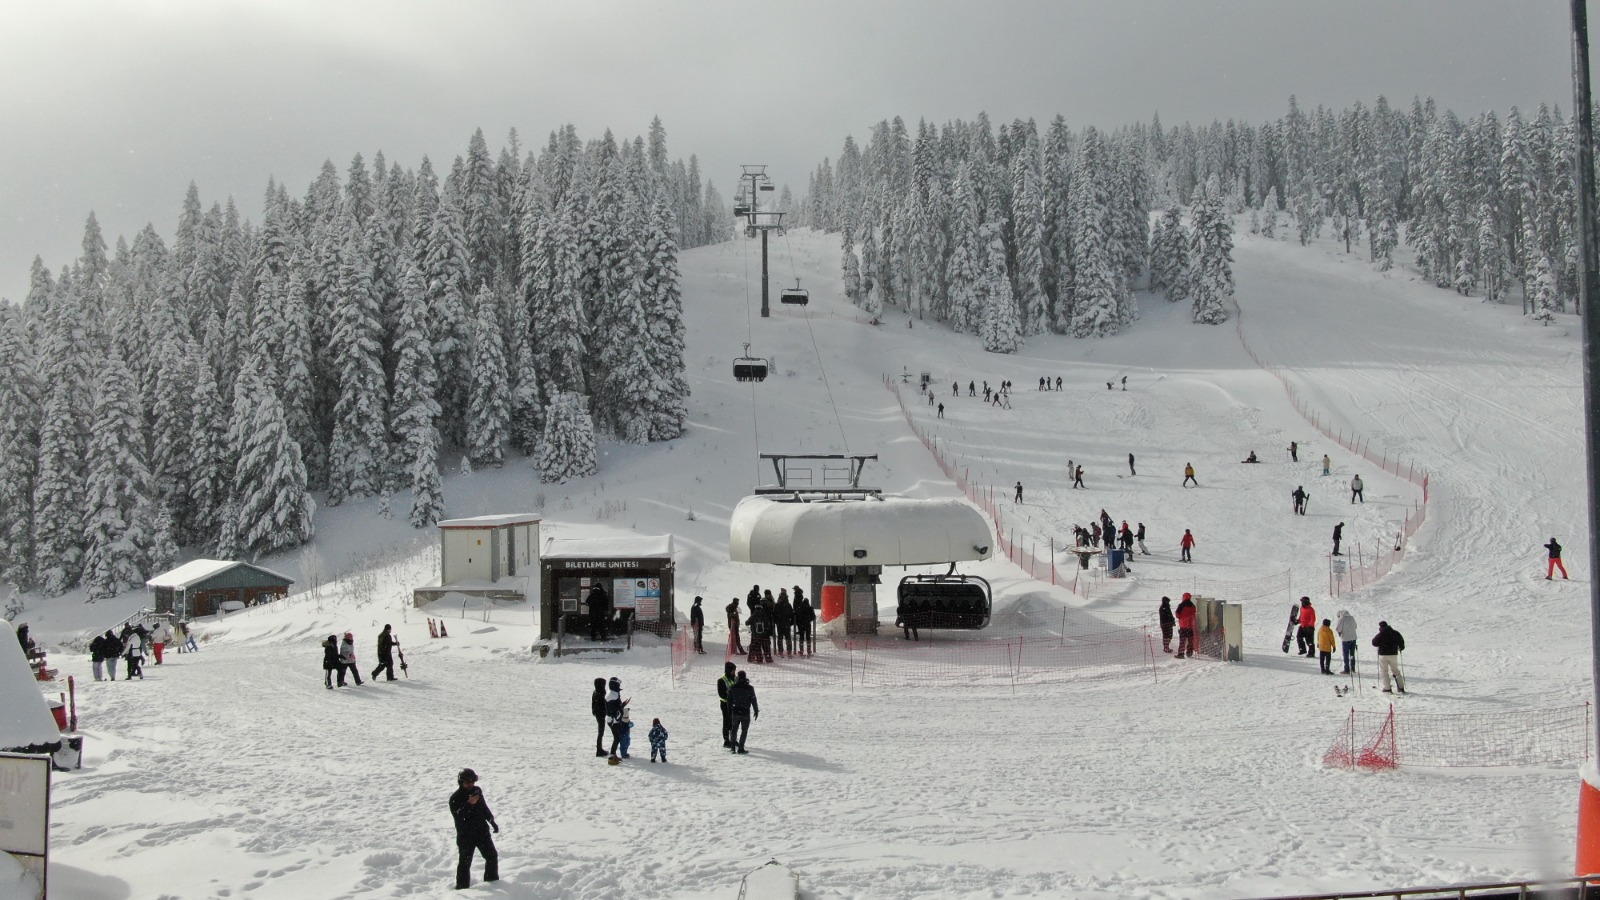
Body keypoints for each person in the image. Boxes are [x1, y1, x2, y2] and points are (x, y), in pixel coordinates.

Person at [449, 768, 499, 890]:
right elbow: (459, 816)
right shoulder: (455, 798)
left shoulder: (477, 791)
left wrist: (491, 821)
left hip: (482, 832)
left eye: (472, 782)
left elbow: (483, 807)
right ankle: (462, 890)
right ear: (461, 782)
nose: (470, 785)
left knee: (492, 856)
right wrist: (469, 804)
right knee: (465, 864)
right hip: (466, 836)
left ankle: (492, 885)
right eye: (467, 783)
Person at [727, 669, 759, 754]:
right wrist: (756, 710)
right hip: (745, 712)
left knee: (734, 730)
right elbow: (753, 700)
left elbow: (729, 701)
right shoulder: (750, 688)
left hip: (735, 711)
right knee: (744, 731)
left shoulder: (732, 688)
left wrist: (729, 712)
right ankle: (741, 748)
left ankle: (733, 747)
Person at [1372, 621, 1406, 693]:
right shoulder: (1395, 633)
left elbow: (1374, 642)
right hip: (1393, 654)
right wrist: (1401, 647)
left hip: (1383, 655)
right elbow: (1401, 641)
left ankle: (1387, 688)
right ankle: (1401, 687)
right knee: (1395, 670)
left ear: (1380, 627)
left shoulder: (1380, 634)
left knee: (1384, 671)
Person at [605, 676, 629, 760]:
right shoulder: (611, 695)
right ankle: (612, 756)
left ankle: (613, 754)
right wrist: (621, 706)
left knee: (617, 738)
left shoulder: (613, 694)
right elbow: (613, 710)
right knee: (617, 738)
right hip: (613, 720)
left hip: (613, 720)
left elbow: (615, 707)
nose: (619, 686)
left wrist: (622, 705)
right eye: (618, 685)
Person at [718, 661, 738, 748]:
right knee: (726, 722)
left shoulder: (735, 678)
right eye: (733, 670)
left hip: (734, 704)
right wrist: (731, 696)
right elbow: (721, 694)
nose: (734, 672)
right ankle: (726, 740)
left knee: (734, 722)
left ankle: (733, 738)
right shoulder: (722, 680)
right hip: (725, 704)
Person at [793, 586, 815, 655]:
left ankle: (801, 650)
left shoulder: (800, 608)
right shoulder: (810, 608)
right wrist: (808, 620)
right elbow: (813, 617)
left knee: (801, 637)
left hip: (801, 624)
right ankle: (809, 651)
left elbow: (797, 614)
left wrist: (799, 622)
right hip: (807, 624)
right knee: (808, 638)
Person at [1335, 609, 1358, 674]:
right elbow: (1355, 626)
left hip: (1345, 639)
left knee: (1346, 654)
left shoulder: (1341, 619)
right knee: (1352, 653)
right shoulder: (1352, 618)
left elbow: (1338, 629)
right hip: (1353, 638)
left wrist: (1340, 632)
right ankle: (1353, 667)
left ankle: (1347, 669)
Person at [1174, 593, 1197, 658]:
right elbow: (1194, 613)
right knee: (1190, 640)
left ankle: (1181, 654)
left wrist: (1182, 617)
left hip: (1183, 626)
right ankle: (1189, 653)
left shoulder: (1181, 605)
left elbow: (1177, 615)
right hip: (1190, 626)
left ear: (1184, 597)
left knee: (1182, 641)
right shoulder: (1193, 605)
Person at [591, 677, 609, 757]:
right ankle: (599, 749)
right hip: (600, 714)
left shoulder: (596, 692)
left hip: (598, 714)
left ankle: (599, 748)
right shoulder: (601, 692)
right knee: (600, 733)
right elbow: (603, 704)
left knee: (600, 733)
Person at [774, 591, 794, 656]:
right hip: (785, 624)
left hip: (782, 624)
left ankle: (782, 651)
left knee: (781, 638)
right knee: (786, 638)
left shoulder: (778, 605)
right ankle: (787, 651)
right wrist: (790, 622)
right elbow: (792, 615)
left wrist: (777, 622)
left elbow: (774, 615)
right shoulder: (787, 605)